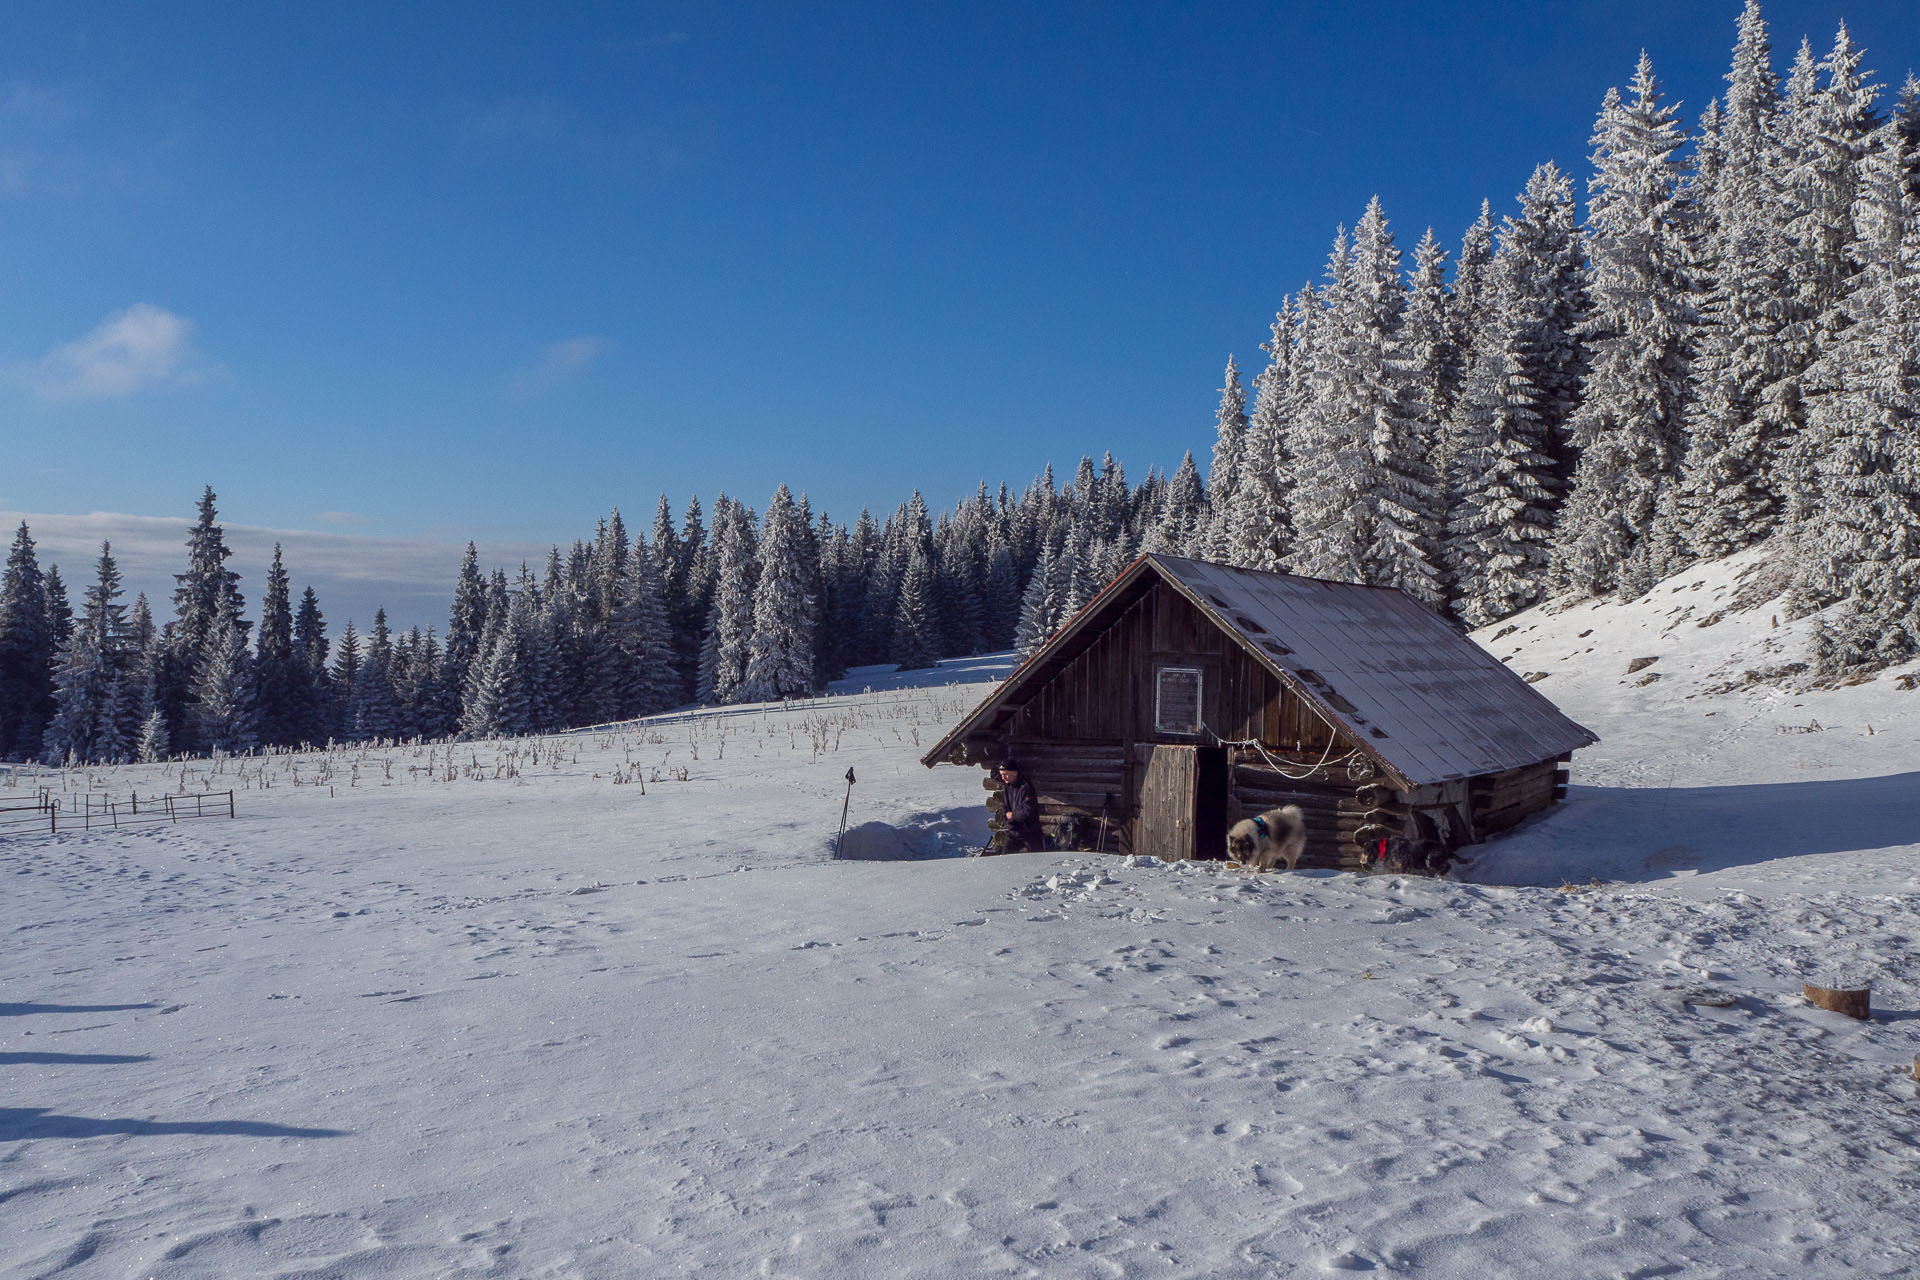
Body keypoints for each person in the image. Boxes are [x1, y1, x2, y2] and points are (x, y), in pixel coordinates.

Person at [998, 758, 1043, 853]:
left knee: (1038, 859)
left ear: (1014, 773)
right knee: (1004, 859)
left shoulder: (1026, 787)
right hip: (1014, 831)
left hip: (1030, 832)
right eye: (1001, 775)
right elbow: (1005, 807)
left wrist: (1012, 815)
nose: (1003, 778)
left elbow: (1028, 811)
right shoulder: (1007, 787)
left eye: (1005, 774)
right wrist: (1006, 818)